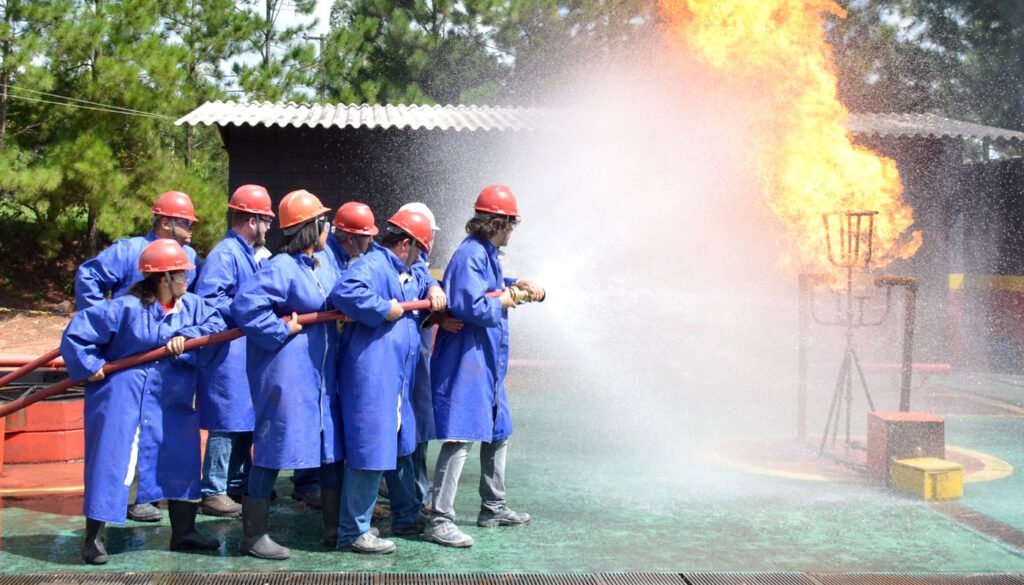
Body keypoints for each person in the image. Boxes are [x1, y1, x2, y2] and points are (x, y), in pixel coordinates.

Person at [60, 239, 226, 565]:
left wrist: (188, 336)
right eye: (181, 275)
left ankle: (184, 532)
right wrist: (90, 365)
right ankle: (94, 538)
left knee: (182, 457)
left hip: (171, 396)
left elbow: (217, 326)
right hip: (123, 394)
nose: (187, 280)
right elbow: (78, 333)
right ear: (163, 278)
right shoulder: (125, 308)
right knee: (114, 462)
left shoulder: (192, 306)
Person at [423, 184, 545, 548]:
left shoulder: (487, 253)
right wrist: (506, 299)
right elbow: (467, 302)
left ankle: (493, 506)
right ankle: (440, 519)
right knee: (461, 435)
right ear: (496, 223)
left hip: (485, 360)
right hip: (466, 360)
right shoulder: (470, 254)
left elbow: (486, 287)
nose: (511, 231)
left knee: (498, 430)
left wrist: (513, 283)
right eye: (510, 224)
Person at [74, 190, 203, 522]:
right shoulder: (128, 253)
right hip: (126, 364)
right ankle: (103, 524)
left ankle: (172, 520)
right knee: (118, 448)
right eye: (186, 222)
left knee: (169, 444)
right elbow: (89, 280)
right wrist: (109, 332)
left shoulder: (188, 258)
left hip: (167, 369)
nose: (191, 228)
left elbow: (197, 309)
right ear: (165, 221)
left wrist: (185, 334)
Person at [231, 189, 343, 560]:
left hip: (320, 373)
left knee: (330, 447)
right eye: (323, 222)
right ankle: (254, 537)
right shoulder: (282, 267)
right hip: (287, 373)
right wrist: (282, 331)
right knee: (273, 444)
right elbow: (246, 306)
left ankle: (333, 527)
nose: (329, 228)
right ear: (310, 228)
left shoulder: (325, 262)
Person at [329, 209, 446, 554]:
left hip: (394, 377)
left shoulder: (406, 269)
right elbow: (344, 291)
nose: (423, 258)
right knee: (370, 451)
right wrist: (383, 308)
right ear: (405, 243)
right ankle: (353, 531)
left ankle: (406, 516)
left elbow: (423, 278)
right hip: (372, 377)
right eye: (421, 249)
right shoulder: (374, 265)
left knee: (398, 446)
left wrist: (436, 287)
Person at [194, 185, 275, 518]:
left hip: (241, 350)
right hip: (226, 350)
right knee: (227, 419)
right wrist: (248, 311)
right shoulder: (226, 254)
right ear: (252, 220)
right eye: (266, 221)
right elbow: (210, 300)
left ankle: (238, 484)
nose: (269, 228)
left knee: (243, 417)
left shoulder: (243, 254)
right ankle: (213, 489)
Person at [388, 202, 441, 512]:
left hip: (414, 362)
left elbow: (424, 277)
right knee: (403, 435)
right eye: (426, 238)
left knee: (415, 430)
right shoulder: (385, 267)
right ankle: (408, 500)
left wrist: (434, 287)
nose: (430, 244)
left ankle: (414, 496)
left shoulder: (416, 265)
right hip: (400, 364)